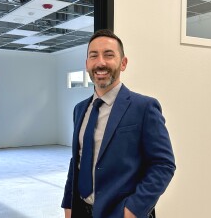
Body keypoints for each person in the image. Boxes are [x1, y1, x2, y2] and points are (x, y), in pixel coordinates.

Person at [61, 29, 176, 218]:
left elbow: (163, 164)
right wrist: (68, 205)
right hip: (81, 211)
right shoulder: (79, 110)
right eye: (93, 56)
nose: (100, 63)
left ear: (123, 63)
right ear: (87, 64)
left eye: (109, 55)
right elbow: (77, 161)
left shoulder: (144, 107)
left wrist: (132, 211)